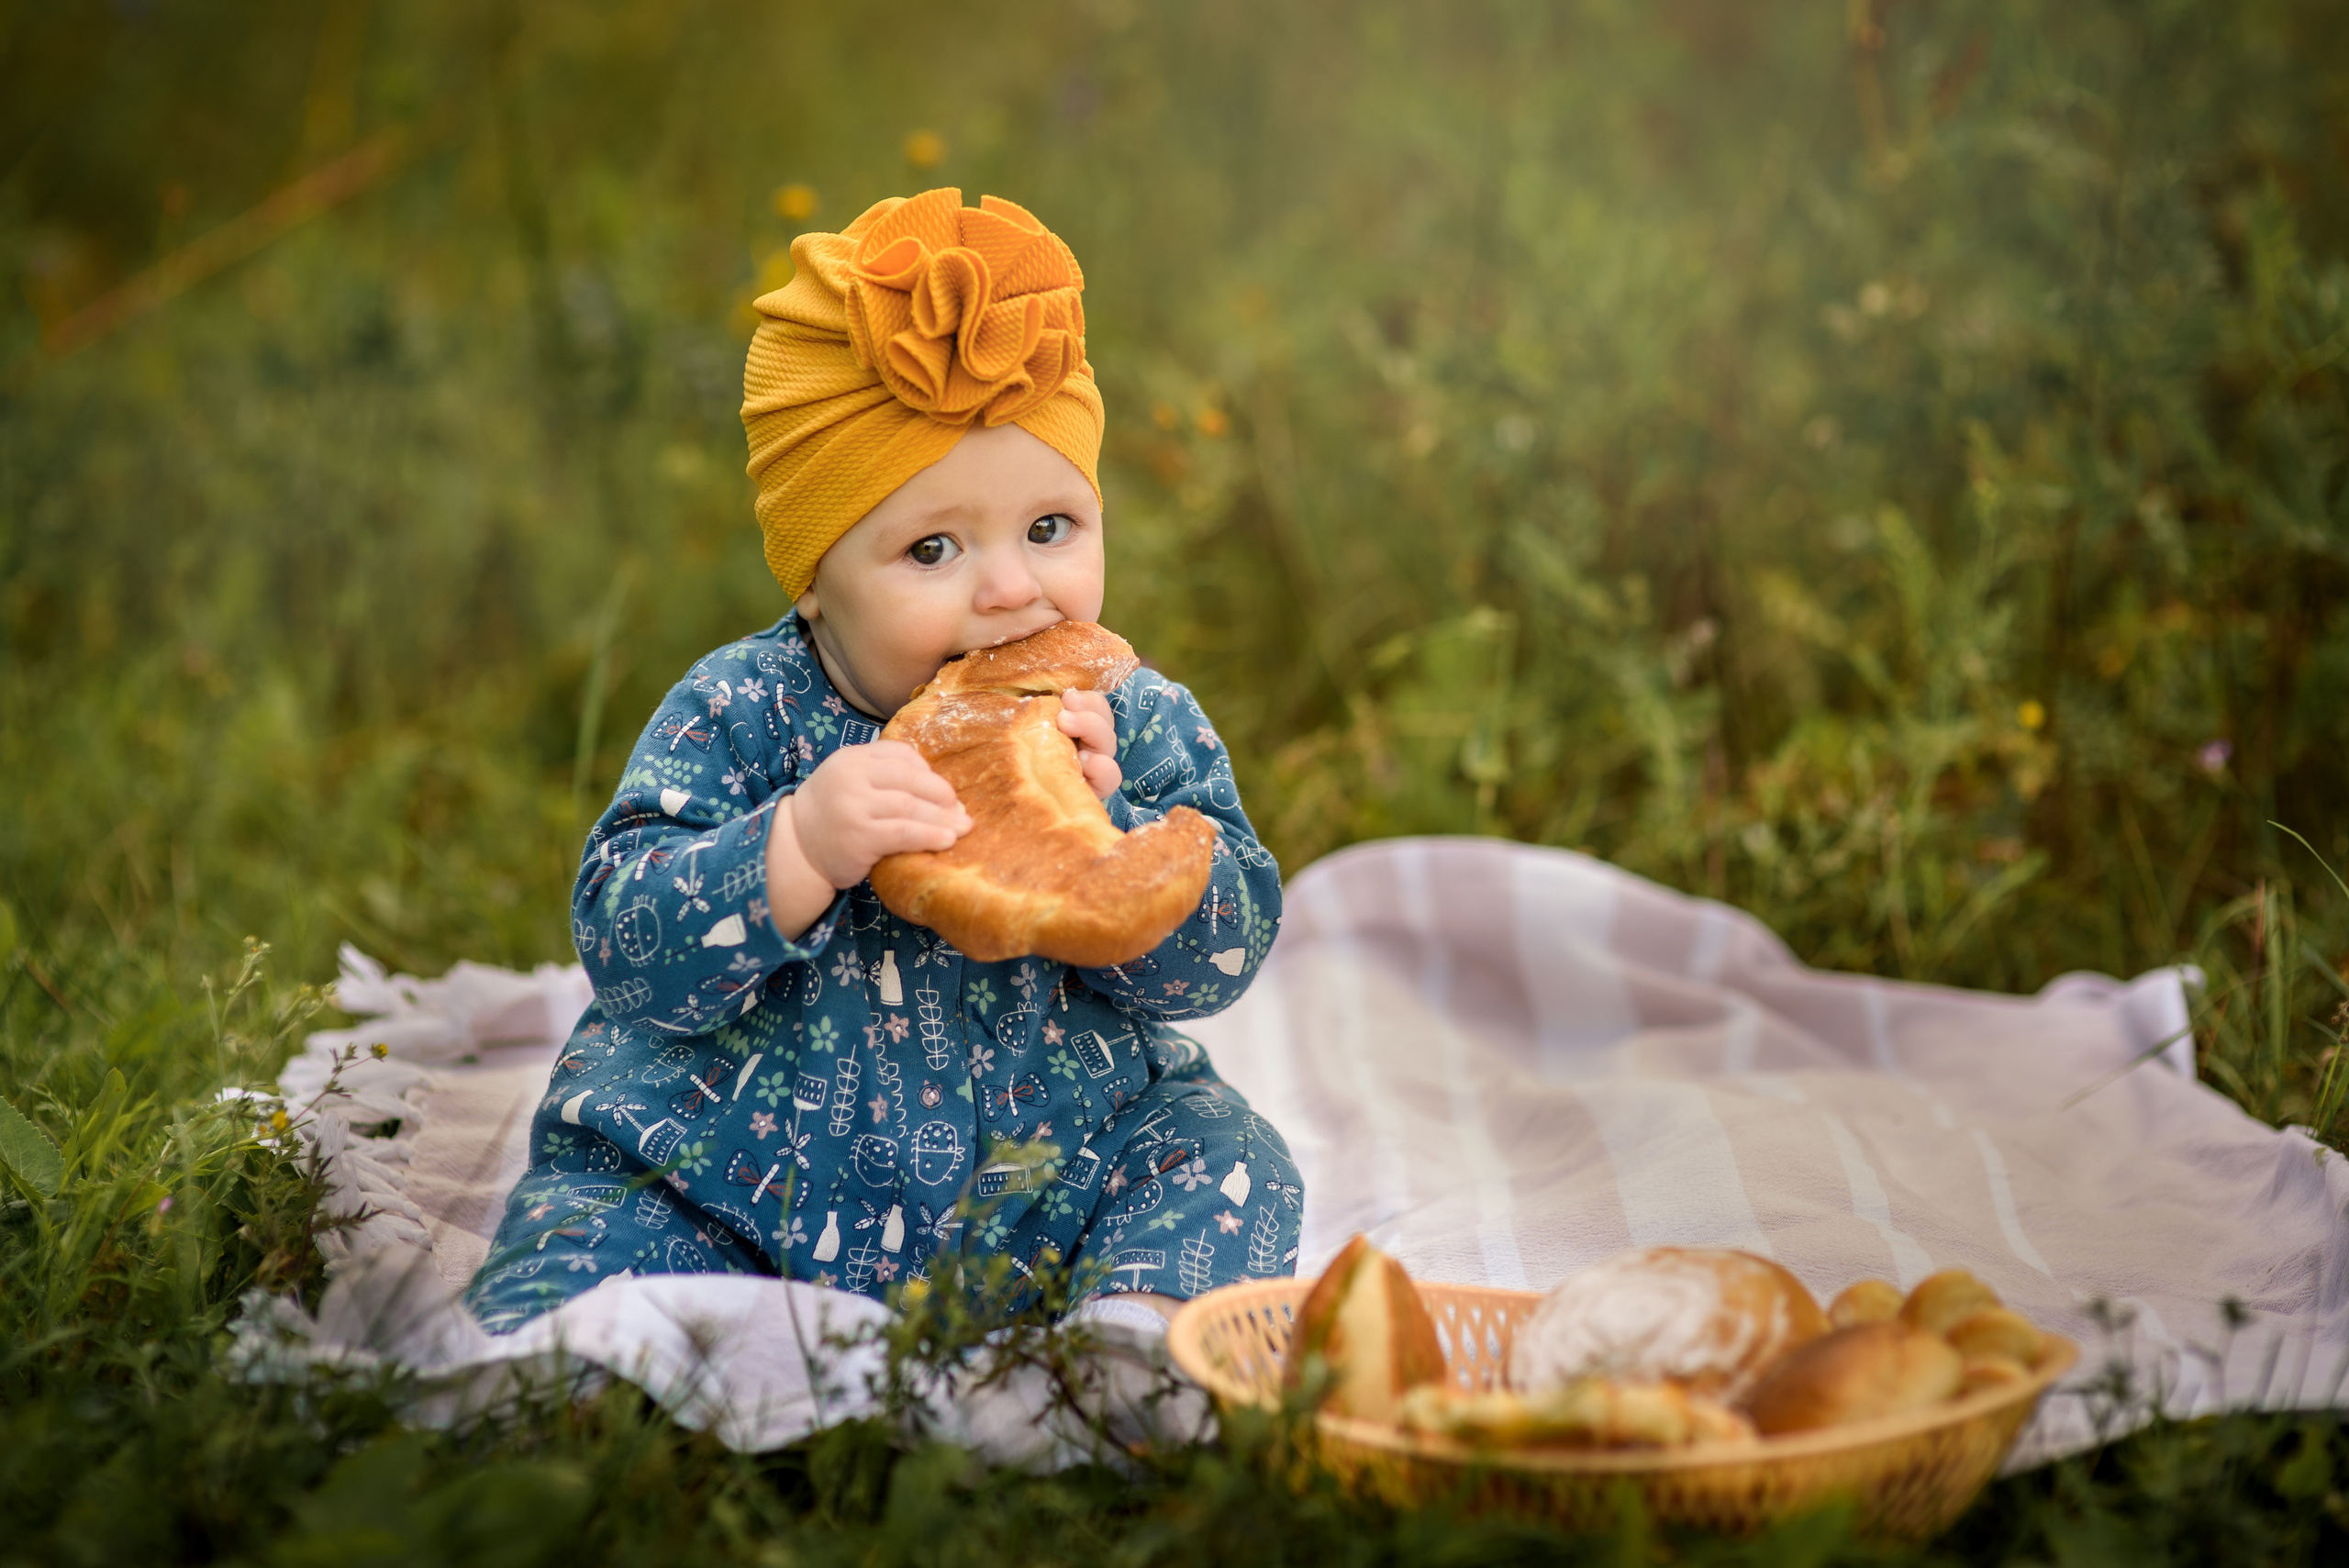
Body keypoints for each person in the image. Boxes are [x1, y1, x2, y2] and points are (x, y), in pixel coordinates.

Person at [468, 189, 1301, 1332]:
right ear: (814, 574)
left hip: (1036, 1180)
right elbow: (623, 943)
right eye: (931, 546)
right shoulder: (742, 709)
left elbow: (1223, 959)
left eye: (1050, 527)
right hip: (736, 1184)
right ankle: (590, 1373)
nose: (1010, 587)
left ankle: (1129, 1339)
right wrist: (795, 846)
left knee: (1228, 1156)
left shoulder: (1128, 716)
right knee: (587, 1215)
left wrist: (1120, 831)